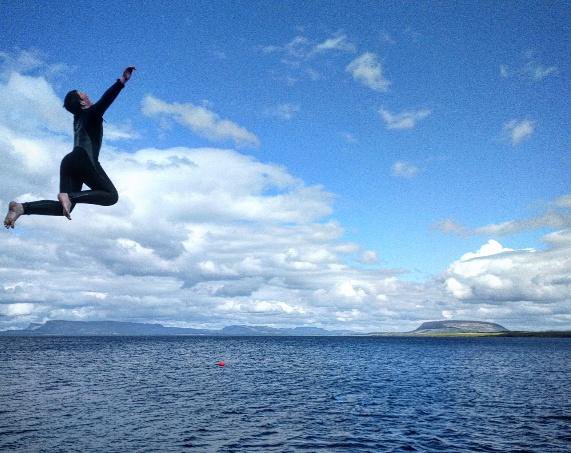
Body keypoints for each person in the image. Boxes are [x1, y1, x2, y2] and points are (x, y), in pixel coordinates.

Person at [3, 66, 136, 229]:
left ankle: (21, 208)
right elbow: (105, 100)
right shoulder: (90, 114)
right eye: (84, 95)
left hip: (69, 162)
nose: (87, 95)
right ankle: (68, 196)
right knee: (111, 196)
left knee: (64, 208)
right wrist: (122, 81)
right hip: (84, 159)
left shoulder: (78, 118)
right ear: (82, 102)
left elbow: (81, 107)